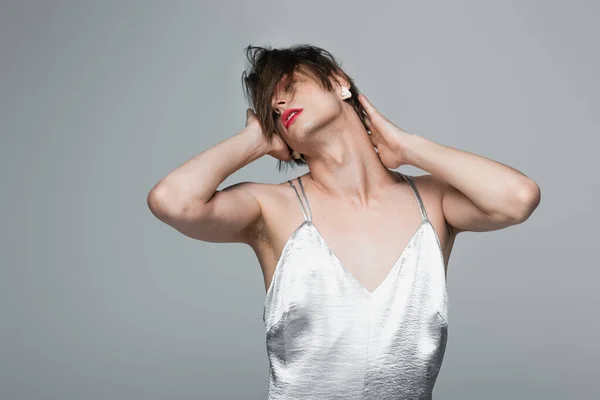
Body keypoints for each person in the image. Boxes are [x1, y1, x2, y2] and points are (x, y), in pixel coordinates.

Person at [147, 44, 541, 399]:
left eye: (288, 85)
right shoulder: (272, 207)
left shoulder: (432, 202)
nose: (280, 104)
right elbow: (172, 202)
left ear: (338, 83)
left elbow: (517, 199)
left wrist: (407, 147)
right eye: (272, 109)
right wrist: (253, 139)